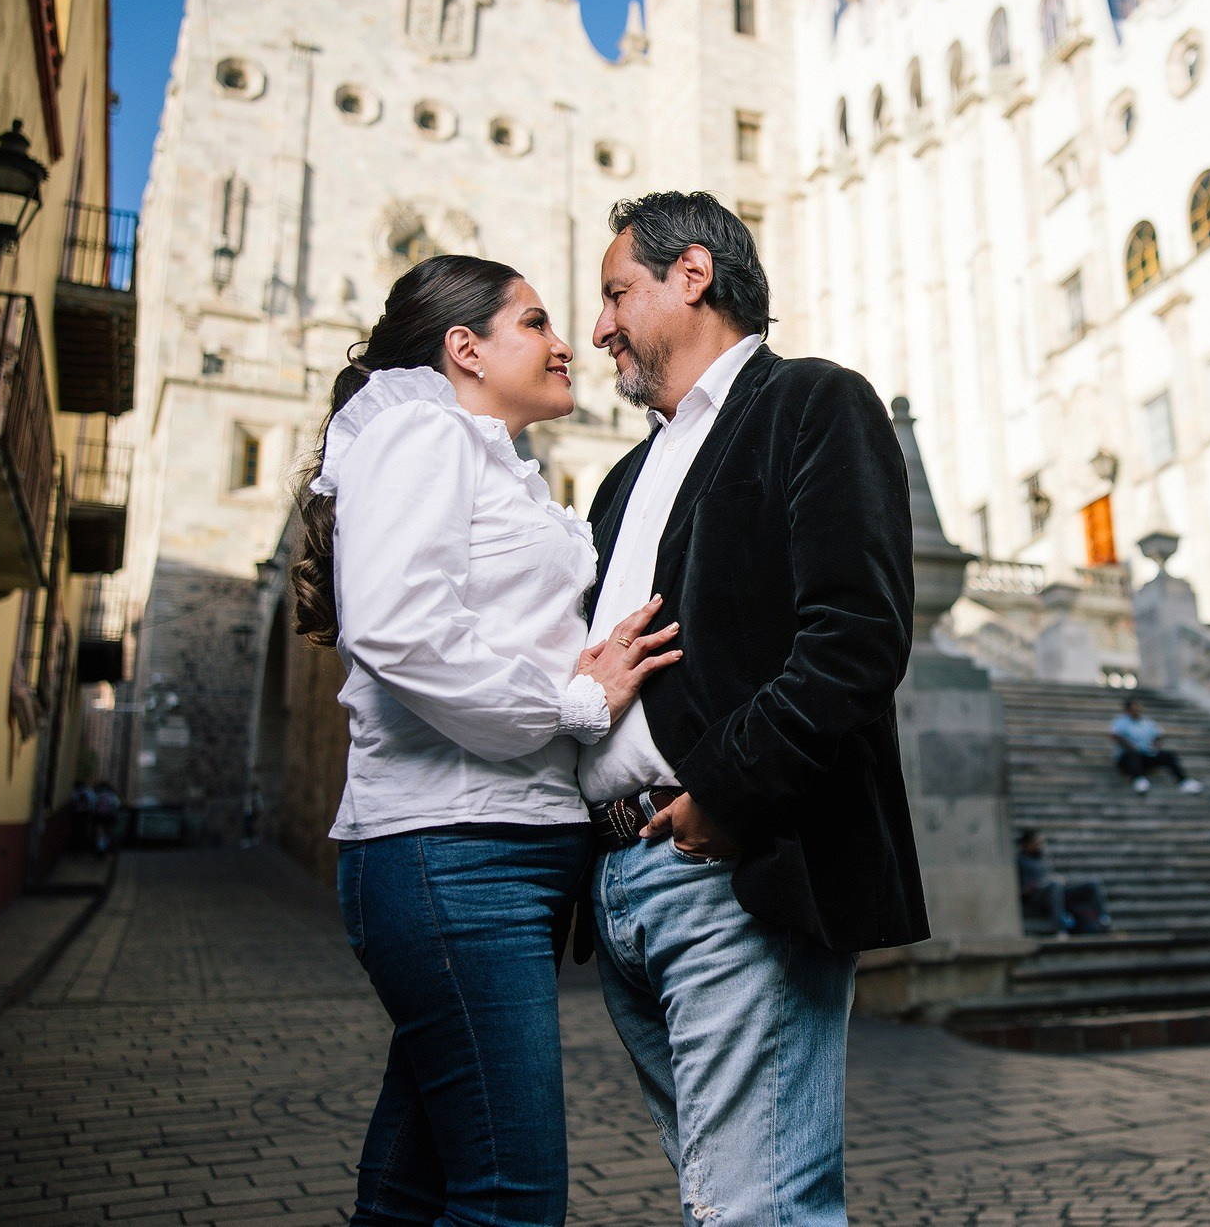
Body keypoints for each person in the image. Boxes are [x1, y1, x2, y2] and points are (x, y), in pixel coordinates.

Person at [292, 254, 678, 1227]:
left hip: (501, 850)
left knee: (414, 1182)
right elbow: (398, 627)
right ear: (464, 348)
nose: (566, 342)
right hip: (453, 851)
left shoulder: (498, 462)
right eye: (536, 322)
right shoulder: (422, 434)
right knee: (510, 1196)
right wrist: (570, 705)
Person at [578, 192, 927, 1226]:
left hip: (731, 870)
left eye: (614, 293)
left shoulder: (813, 403)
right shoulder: (620, 479)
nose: (598, 327)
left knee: (757, 1208)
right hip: (619, 886)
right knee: (723, 1200)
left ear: (692, 276)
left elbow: (855, 638)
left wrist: (723, 796)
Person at [1016, 830, 1111, 935]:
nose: (1040, 846)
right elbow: (1019, 890)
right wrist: (1037, 885)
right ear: (1027, 844)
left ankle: (1104, 921)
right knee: (1054, 885)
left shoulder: (1044, 858)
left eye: (1041, 842)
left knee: (1093, 884)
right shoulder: (1019, 861)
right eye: (1037, 842)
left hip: (1056, 891)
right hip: (1037, 896)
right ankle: (1061, 928)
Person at [1109, 696, 1204, 794]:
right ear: (1128, 709)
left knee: (1168, 755)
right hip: (1127, 758)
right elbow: (1116, 735)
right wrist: (1131, 747)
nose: (1137, 709)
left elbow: (1158, 734)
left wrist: (1155, 744)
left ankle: (1184, 781)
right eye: (1135, 707)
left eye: (1138, 706)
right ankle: (1138, 779)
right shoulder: (1121, 721)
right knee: (1133, 755)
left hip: (1145, 755)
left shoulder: (1146, 722)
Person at [240, 777, 264, 848]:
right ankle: (250, 840)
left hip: (253, 813)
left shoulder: (256, 794)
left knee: (250, 826)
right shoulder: (248, 794)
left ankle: (252, 839)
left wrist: (260, 810)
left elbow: (259, 803)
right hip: (247, 812)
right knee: (247, 826)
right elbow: (246, 802)